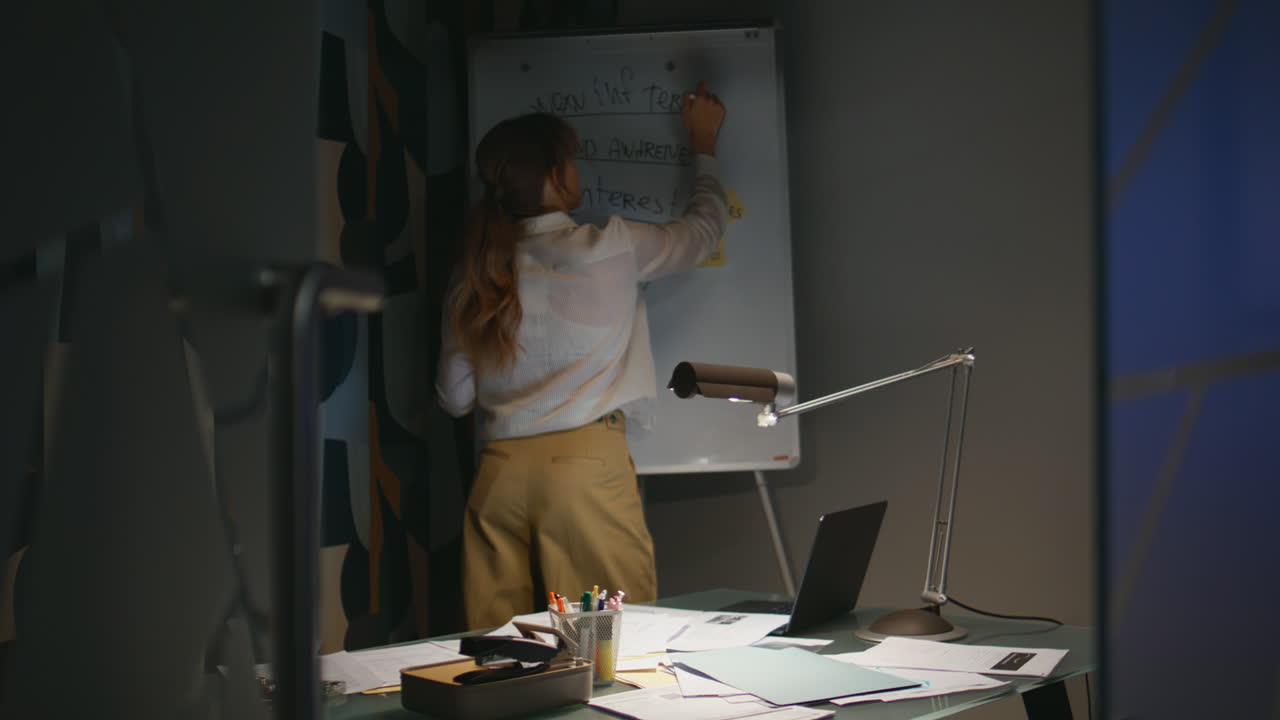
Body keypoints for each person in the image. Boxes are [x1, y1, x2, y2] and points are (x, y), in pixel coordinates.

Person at [437, 82, 728, 630]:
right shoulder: (611, 247)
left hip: (497, 478)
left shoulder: (473, 276)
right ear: (553, 175)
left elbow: (455, 400)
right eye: (569, 160)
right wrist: (704, 147)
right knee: (616, 650)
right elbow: (703, 232)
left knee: (503, 660)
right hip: (586, 473)